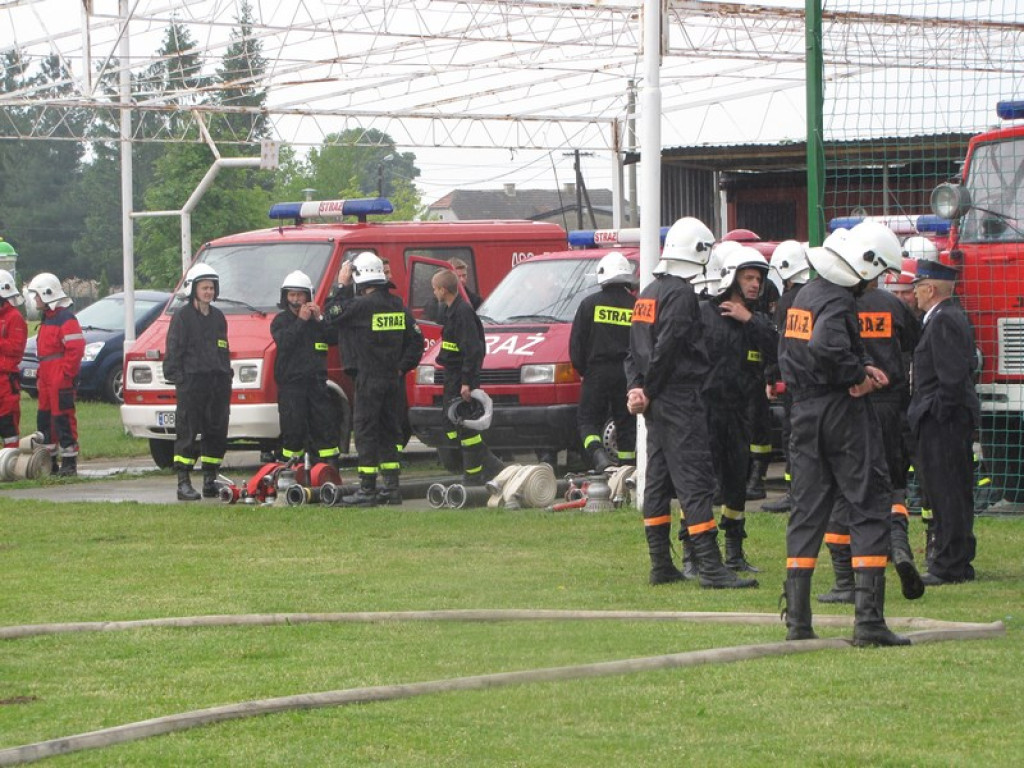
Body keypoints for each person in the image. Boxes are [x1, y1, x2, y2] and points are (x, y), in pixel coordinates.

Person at [778, 221, 909, 646]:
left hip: (805, 412)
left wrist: (859, 362)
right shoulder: (837, 299)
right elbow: (827, 347)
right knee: (869, 501)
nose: (874, 283)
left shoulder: (805, 296)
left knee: (808, 508)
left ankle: (798, 621)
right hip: (842, 413)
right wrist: (856, 375)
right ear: (861, 266)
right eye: (875, 274)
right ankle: (868, 622)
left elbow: (802, 351)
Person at [624, 216, 757, 589]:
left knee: (659, 481)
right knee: (695, 480)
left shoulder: (648, 291)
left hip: (655, 400)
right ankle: (711, 567)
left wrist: (637, 389)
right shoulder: (681, 294)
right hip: (678, 396)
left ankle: (660, 564)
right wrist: (649, 387)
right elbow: (668, 346)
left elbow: (633, 350)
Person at [817, 265, 924, 604]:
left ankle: (845, 579)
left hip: (853, 400)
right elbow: (914, 341)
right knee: (892, 484)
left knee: (845, 489)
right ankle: (899, 545)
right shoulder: (893, 305)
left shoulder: (838, 303)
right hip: (891, 404)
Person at [698, 246, 778, 573]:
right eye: (748, 277)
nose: (755, 284)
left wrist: (751, 322)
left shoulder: (758, 322)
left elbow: (778, 350)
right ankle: (696, 553)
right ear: (731, 278)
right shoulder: (705, 314)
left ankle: (734, 553)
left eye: (758, 278)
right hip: (706, 412)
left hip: (740, 413)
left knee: (736, 484)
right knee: (701, 484)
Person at [326, 252, 424, 505]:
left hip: (369, 379)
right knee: (390, 431)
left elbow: (332, 314)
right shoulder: (397, 305)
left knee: (366, 432)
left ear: (360, 278)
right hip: (393, 379)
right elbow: (416, 341)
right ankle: (391, 488)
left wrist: (340, 285)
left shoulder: (361, 306)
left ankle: (367, 489)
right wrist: (402, 368)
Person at [908, 259, 981, 585]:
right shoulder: (944, 317)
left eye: (917, 288)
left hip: (944, 422)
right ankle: (956, 556)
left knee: (947, 490)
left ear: (930, 288)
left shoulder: (944, 321)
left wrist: (934, 412)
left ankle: (950, 563)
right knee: (949, 489)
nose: (914, 294)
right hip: (945, 419)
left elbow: (952, 378)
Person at [163, 263, 232, 501]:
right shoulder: (182, 317)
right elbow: (174, 348)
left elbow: (223, 349)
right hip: (191, 383)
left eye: (211, 288)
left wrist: (226, 375)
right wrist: (177, 377)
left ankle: (210, 480)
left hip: (216, 382)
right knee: (188, 433)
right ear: (193, 289)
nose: (209, 293)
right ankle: (183, 482)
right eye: (204, 288)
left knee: (216, 431)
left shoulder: (218, 317)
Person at [432, 267, 504, 485]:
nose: (434, 293)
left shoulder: (462, 312)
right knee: (457, 426)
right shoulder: (451, 311)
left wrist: (466, 383)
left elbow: (472, 350)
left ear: (443, 290)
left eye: (435, 289)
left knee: (466, 427)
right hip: (453, 376)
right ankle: (485, 468)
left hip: (461, 380)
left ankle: (476, 474)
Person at [569, 251, 637, 472]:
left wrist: (583, 370)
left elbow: (576, 345)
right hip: (628, 374)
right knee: (626, 424)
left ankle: (599, 459)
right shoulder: (637, 306)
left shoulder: (589, 304)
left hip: (596, 372)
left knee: (586, 421)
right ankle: (628, 470)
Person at [270, 270, 340, 469]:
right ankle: (291, 471)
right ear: (285, 297)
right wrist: (301, 320)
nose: (296, 299)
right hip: (291, 387)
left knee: (324, 427)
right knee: (293, 430)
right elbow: (285, 342)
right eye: (292, 295)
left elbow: (333, 337)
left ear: (308, 295)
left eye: (299, 295)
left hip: (316, 384)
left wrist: (320, 319)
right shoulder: (280, 321)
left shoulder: (316, 322)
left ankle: (328, 470)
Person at [761, 240, 811, 513]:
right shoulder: (816, 295)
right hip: (816, 381)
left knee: (792, 437)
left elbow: (780, 346)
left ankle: (794, 493)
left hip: (793, 382)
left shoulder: (787, 303)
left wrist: (771, 378)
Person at [25, 273, 84, 477]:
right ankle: (50, 462)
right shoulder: (49, 318)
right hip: (48, 375)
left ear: (47, 294)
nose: (35, 300)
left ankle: (69, 462)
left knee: (63, 418)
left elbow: (75, 348)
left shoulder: (65, 318)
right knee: (45, 419)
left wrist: (66, 374)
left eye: (37, 296)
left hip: (59, 375)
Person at [0, 270, 27, 450]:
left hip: (6, 379)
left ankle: (10, 461)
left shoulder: (14, 318)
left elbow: (16, 348)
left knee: (7, 423)